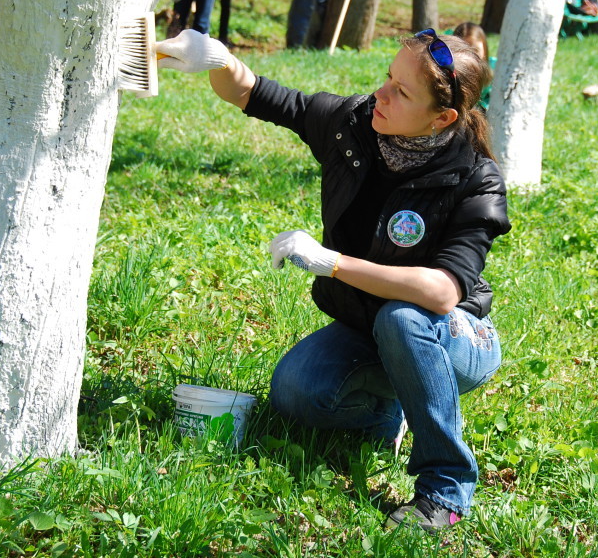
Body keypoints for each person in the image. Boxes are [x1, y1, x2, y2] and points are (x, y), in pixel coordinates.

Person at [155, 28, 510, 533]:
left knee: (405, 316)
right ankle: (390, 416)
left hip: (455, 338)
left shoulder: (476, 179)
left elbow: (443, 291)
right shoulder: (352, 125)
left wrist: (332, 263)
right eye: (388, 77)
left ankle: (444, 491)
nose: (380, 94)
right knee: (297, 391)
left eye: (401, 92)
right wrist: (218, 58)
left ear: (443, 118)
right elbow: (253, 93)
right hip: (369, 328)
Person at [453, 22, 495, 110]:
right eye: (465, 50)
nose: (471, 56)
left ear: (484, 47)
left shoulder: (497, 68)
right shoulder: (450, 75)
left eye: (475, 50)